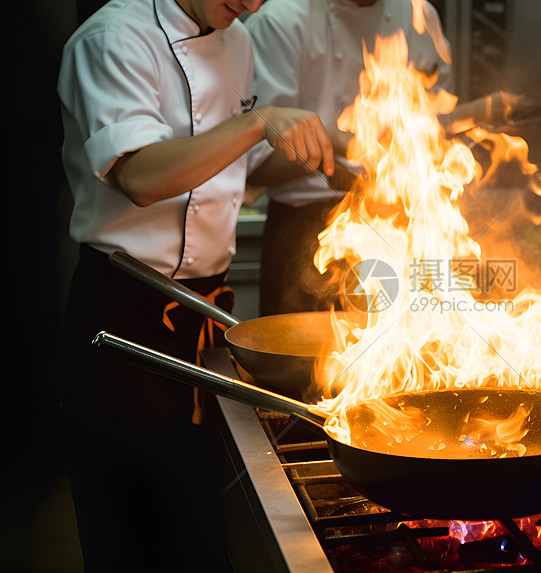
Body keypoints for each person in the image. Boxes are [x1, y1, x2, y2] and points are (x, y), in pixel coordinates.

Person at [56, 0, 336, 570]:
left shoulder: (237, 40)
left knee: (204, 526)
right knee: (131, 532)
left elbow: (237, 173)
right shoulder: (112, 38)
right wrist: (259, 121)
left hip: (205, 319)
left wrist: (332, 152)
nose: (253, 3)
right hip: (126, 313)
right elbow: (139, 175)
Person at [245, 0, 520, 316]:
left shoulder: (419, 14)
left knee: (403, 356)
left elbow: (430, 132)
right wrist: (333, 143)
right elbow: (254, 166)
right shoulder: (279, 21)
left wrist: (477, 113)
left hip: (401, 229)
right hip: (307, 235)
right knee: (298, 358)